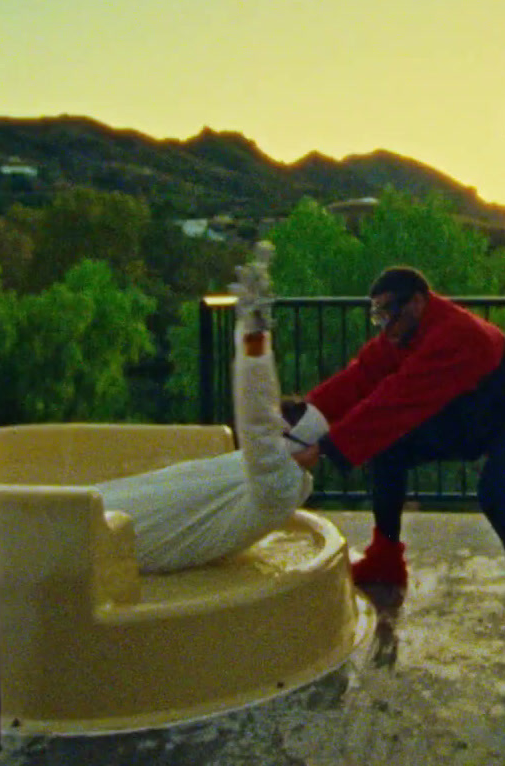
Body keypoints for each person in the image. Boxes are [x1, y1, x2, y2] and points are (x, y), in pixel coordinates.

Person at [288, 266, 505, 696]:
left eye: (390, 313)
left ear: (419, 301)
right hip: (476, 418)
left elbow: (395, 400)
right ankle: (386, 561)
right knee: (389, 449)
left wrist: (326, 449)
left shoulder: (454, 334)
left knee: (496, 496)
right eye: (378, 316)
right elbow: (361, 377)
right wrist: (299, 411)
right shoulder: (405, 333)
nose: (385, 325)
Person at [95, 244, 330, 573]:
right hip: (124, 516)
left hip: (137, 538)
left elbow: (257, 413)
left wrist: (254, 332)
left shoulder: (277, 484)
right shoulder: (273, 477)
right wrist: (251, 330)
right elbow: (260, 415)